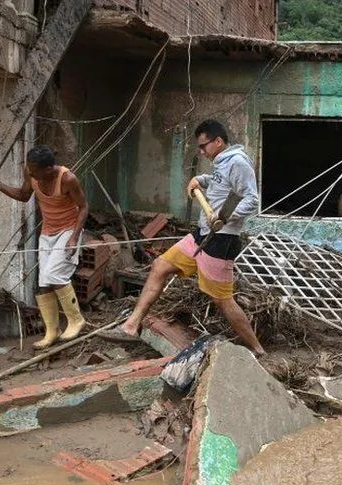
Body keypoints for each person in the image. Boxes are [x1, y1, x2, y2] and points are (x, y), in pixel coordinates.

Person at [101, 119, 266, 357]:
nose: (201, 151)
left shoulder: (239, 163)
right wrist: (201, 180)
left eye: (204, 146)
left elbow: (251, 199)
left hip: (221, 240)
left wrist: (226, 218)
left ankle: (257, 349)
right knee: (160, 266)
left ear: (218, 141)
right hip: (201, 234)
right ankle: (130, 326)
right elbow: (220, 184)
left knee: (223, 300)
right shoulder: (222, 161)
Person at [0, 145, 89, 350]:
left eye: (34, 170)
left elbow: (83, 207)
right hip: (48, 232)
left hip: (68, 231)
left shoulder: (67, 179)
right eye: (29, 169)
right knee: (43, 282)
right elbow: (23, 195)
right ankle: (52, 331)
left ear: (48, 169)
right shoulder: (32, 173)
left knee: (54, 274)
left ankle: (76, 320)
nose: (30, 173)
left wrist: (74, 237)